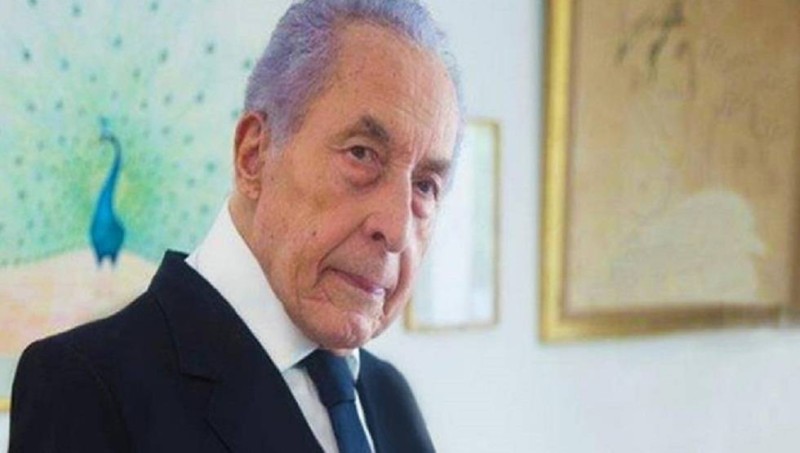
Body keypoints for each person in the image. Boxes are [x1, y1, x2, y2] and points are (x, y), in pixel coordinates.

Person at [9, 0, 462, 452]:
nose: (397, 229)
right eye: (361, 154)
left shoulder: (389, 397)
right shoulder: (86, 387)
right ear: (254, 155)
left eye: (425, 185)